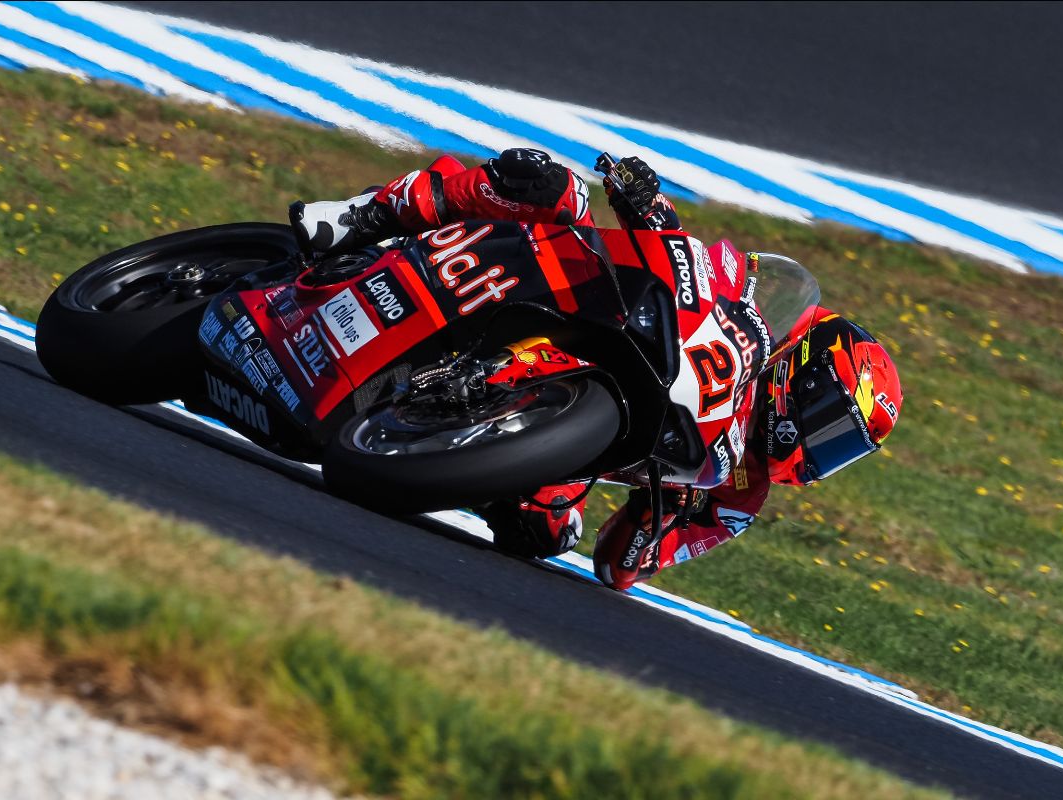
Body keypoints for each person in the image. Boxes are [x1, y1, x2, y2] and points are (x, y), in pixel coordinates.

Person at [290, 149, 902, 591]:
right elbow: (687, 262)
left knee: (547, 534)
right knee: (551, 186)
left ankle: (434, 433)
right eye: (829, 426)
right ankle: (363, 216)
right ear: (803, 371)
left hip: (581, 440)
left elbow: (619, 565)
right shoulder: (745, 293)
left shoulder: (740, 496)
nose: (822, 450)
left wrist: (663, 524)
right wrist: (649, 205)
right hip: (581, 307)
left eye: (842, 448)